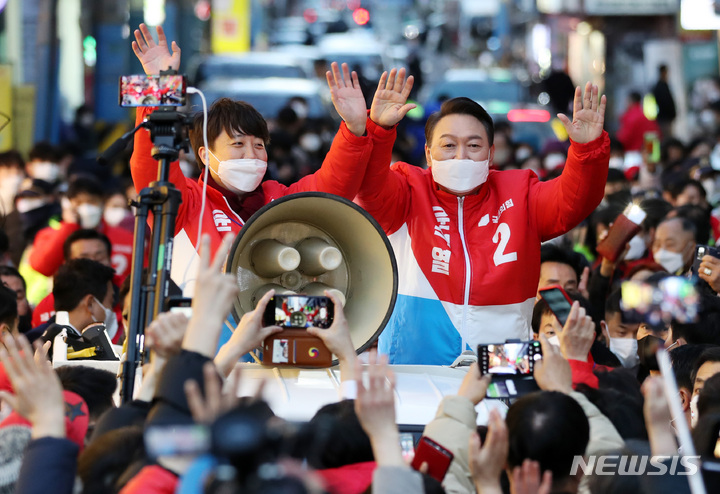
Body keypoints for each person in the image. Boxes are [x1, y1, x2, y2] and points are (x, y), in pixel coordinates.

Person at [354, 73, 610, 364]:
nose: (461, 156)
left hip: (505, 363)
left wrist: (588, 150)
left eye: (473, 146)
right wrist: (378, 130)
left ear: (490, 154)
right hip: (415, 361)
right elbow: (369, 189)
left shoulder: (521, 192)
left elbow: (574, 201)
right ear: (428, 153)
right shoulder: (406, 188)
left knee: (502, 412)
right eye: (448, 145)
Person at [130, 24, 373, 291]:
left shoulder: (281, 200)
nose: (251, 154)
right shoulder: (185, 203)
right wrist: (159, 86)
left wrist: (354, 129)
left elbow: (334, 186)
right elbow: (149, 167)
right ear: (205, 154)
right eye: (238, 144)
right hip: (200, 330)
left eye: (259, 144)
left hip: (271, 328)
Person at [28, 175, 134, 282]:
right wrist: (69, 226)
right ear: (69, 205)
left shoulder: (127, 238)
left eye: (92, 202)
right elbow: (42, 267)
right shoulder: (49, 235)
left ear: (102, 204)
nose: (86, 208)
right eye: (79, 203)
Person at [25, 259, 116, 344]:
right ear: (90, 303)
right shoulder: (41, 345)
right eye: (111, 302)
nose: (112, 311)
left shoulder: (33, 340)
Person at [652, 64, 677, 139]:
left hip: (666, 118)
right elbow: (665, 103)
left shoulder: (664, 85)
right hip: (664, 119)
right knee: (667, 140)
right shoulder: (660, 86)